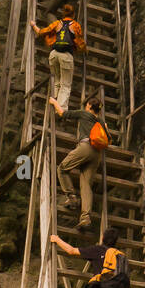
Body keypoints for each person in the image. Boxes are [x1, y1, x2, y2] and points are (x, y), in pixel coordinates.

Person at [48, 91, 108, 233]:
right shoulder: (101, 122)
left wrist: (53, 102)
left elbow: (62, 113)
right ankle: (85, 218)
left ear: (88, 106)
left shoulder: (83, 114)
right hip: (97, 154)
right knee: (86, 185)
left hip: (85, 147)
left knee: (62, 168)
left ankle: (71, 197)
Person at [33, 2, 85, 109]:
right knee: (65, 84)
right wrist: (83, 50)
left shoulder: (57, 23)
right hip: (66, 55)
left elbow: (42, 32)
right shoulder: (75, 25)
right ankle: (60, 109)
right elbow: (80, 43)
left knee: (57, 79)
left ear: (63, 14)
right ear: (73, 15)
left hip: (54, 54)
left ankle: (54, 99)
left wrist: (34, 25)